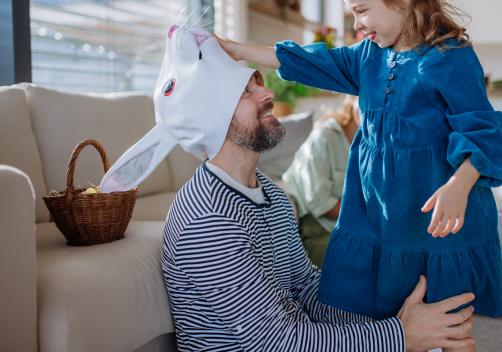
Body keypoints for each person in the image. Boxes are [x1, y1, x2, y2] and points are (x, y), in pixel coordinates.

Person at [214, 0, 502, 351]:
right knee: (390, 318)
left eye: (361, 10)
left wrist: (460, 186)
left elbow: (483, 131)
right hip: (381, 223)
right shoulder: (368, 58)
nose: (356, 25)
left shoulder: (450, 57)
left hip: (440, 227)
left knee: (450, 329)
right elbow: (310, 60)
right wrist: (235, 49)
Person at [162, 69, 476, 351]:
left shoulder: (270, 193)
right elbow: (276, 341)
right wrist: (399, 335)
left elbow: (309, 290)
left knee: (439, 331)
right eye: (246, 90)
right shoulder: (208, 220)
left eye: (259, 82)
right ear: (209, 116)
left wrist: (390, 317)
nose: (269, 93)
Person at [283, 95, 360, 268]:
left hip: (351, 227)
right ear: (353, 99)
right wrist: (366, 216)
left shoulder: (375, 143)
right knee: (363, 260)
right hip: (315, 228)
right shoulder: (325, 135)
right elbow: (319, 203)